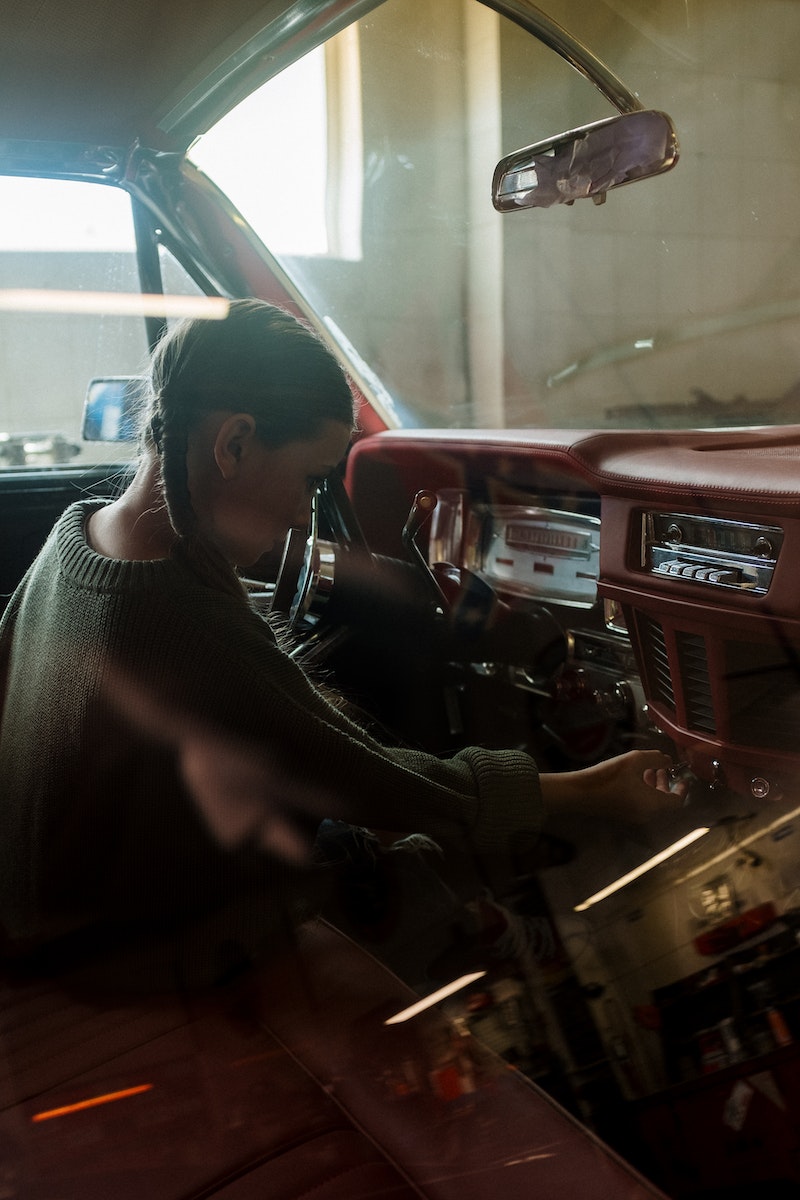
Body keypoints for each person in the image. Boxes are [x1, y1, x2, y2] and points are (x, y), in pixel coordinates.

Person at [0, 299, 678, 988]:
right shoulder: (184, 624)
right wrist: (594, 789)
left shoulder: (74, 539)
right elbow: (388, 786)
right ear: (233, 444)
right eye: (309, 480)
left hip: (56, 914)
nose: (303, 514)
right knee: (409, 857)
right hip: (122, 966)